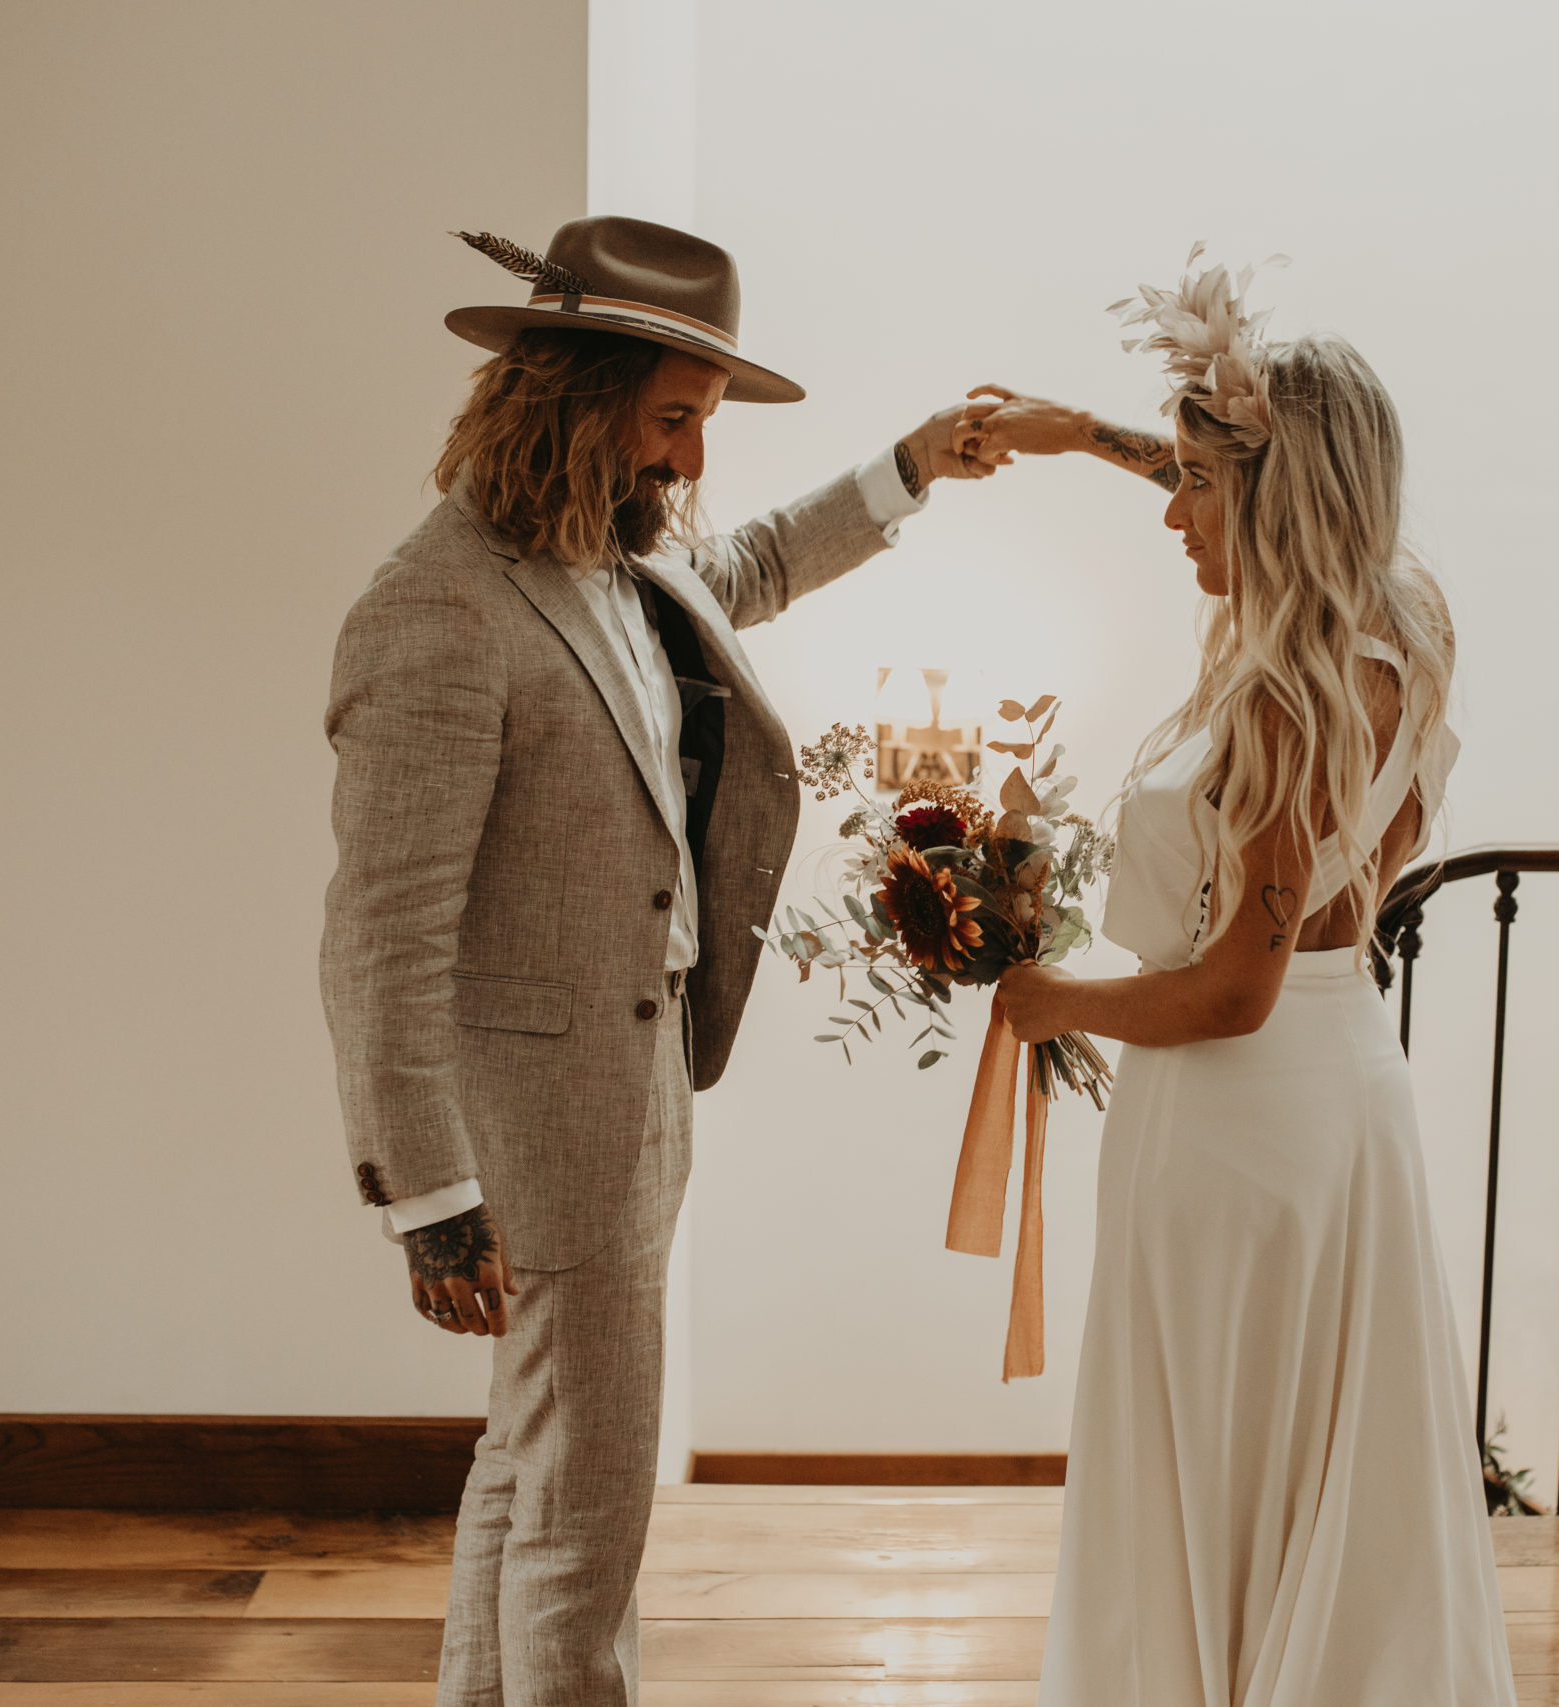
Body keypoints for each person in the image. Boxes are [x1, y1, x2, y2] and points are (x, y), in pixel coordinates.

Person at [319, 214, 1000, 1707]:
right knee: (589, 1509)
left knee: (533, 1460)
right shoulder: (440, 609)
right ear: (576, 399)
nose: (694, 464)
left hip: (639, 1089)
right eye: (677, 422)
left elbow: (741, 567)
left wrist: (910, 466)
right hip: (544, 1131)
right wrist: (431, 1199)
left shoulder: (606, 554)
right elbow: (379, 934)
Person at [969, 257, 1514, 1704]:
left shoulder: (1285, 696)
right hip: (1346, 1111)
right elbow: (1265, 483)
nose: (1173, 507)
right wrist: (1079, 430)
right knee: (1314, 1451)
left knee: (1214, 1443)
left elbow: (1230, 994)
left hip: (1237, 1123)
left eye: (1197, 487)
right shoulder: (1402, 629)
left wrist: (1052, 1000)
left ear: (1268, 499)